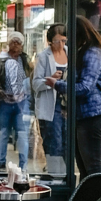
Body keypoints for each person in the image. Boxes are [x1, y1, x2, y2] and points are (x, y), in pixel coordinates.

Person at [47, 16, 101, 178]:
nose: (67, 43)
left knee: (93, 167)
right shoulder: (87, 52)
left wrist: (57, 84)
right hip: (85, 115)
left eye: (69, 37)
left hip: (93, 115)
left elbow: (85, 87)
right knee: (85, 168)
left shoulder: (92, 53)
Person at [33, 23, 70, 179]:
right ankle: (56, 175)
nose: (60, 45)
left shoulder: (70, 53)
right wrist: (51, 80)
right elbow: (35, 84)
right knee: (54, 140)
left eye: (63, 40)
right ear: (49, 41)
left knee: (68, 140)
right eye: (56, 41)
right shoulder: (43, 56)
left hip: (68, 104)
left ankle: (66, 174)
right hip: (52, 104)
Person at [0, 31, 31, 170]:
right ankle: (1, 163)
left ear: (22, 45)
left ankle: (23, 165)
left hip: (21, 102)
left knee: (22, 134)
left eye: (18, 42)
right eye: (13, 41)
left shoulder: (25, 60)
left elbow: (30, 77)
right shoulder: (0, 60)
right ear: (8, 43)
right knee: (3, 133)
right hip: (4, 102)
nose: (16, 44)